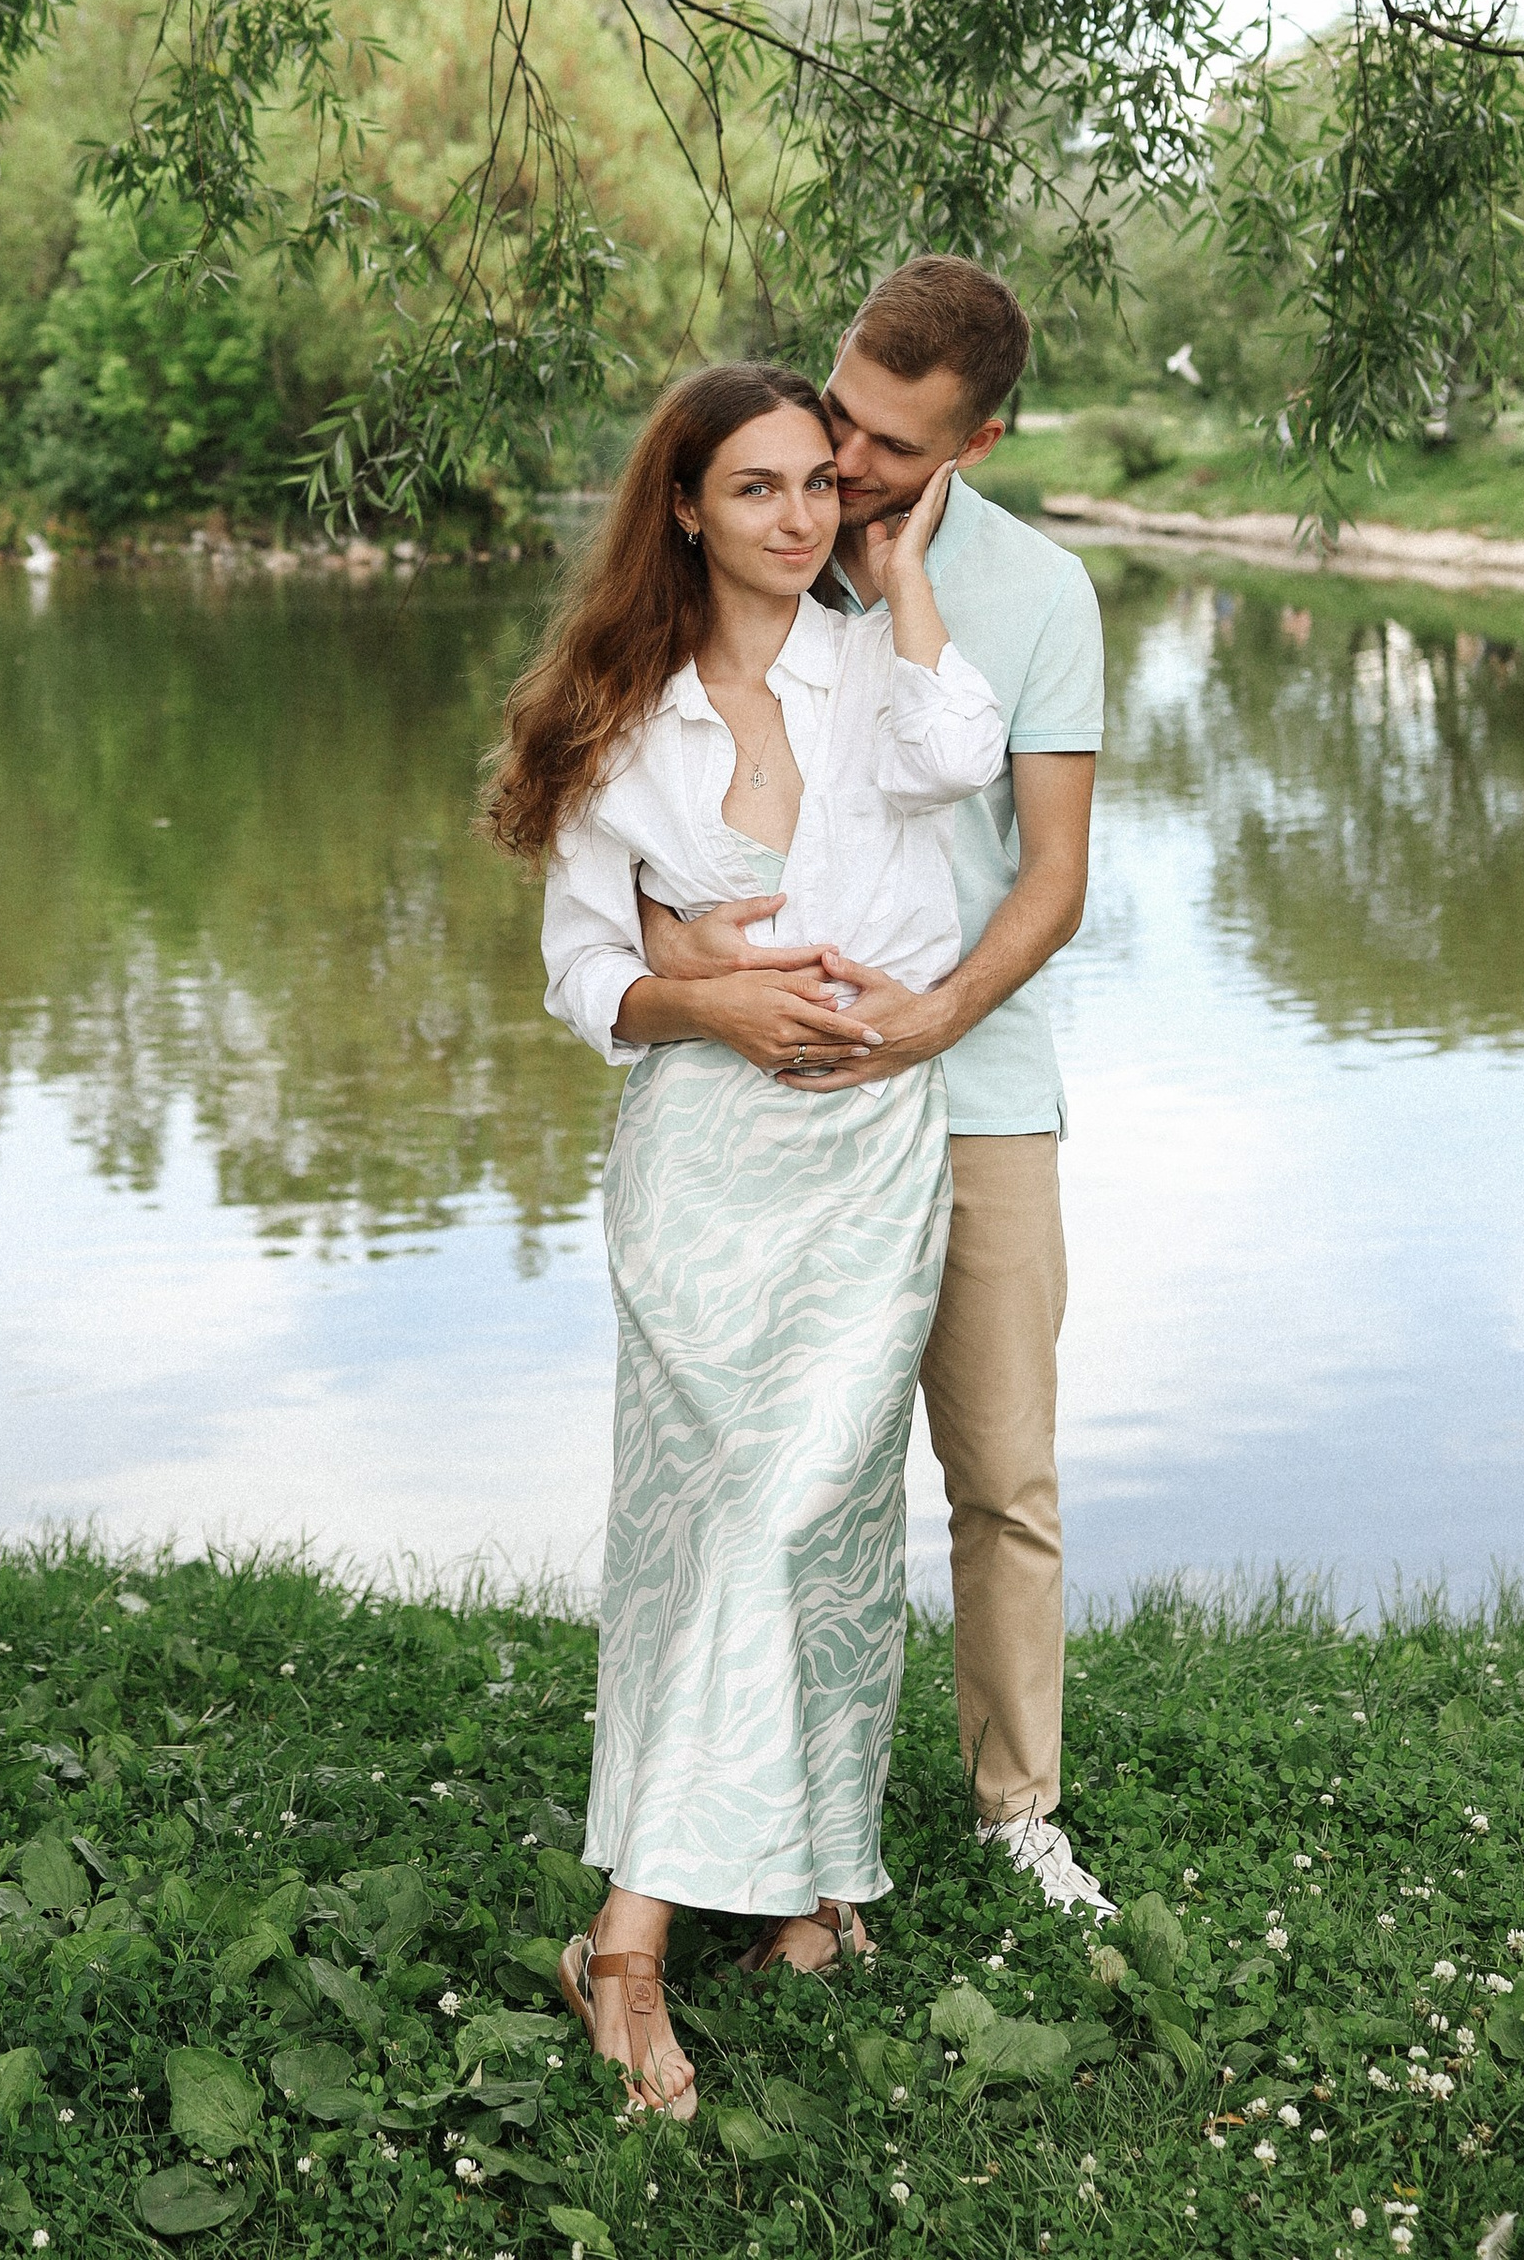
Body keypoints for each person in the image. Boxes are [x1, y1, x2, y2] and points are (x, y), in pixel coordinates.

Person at [484, 361, 1008, 2119]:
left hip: (869, 1154)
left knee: (817, 1501)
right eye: (759, 489)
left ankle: (684, 1917)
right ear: (687, 510)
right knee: (724, 1514)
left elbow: (967, 757)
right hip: (702, 1159)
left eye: (819, 485)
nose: (799, 517)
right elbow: (580, 969)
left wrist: (910, 566)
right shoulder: (615, 714)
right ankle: (729, 1915)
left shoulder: (880, 670)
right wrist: (702, 1004)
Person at [633, 256, 1111, 1918]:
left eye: (889, 447)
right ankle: (756, 1824)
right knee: (775, 1471)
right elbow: (642, 794)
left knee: (999, 1472)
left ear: (978, 439)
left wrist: (936, 1022)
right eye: (837, 412)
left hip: (972, 1093)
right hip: (770, 1105)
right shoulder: (764, 541)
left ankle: (1015, 1809)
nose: (841, 466)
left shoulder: (1043, 599)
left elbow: (1049, 881)